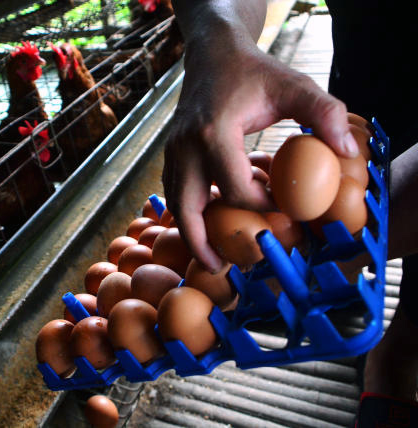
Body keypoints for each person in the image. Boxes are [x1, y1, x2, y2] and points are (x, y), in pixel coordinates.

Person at [163, 0, 418, 422]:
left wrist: (346, 239)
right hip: (368, 69)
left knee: (409, 315)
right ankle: (342, 291)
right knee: (343, 164)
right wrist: (216, 37)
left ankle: (396, 353)